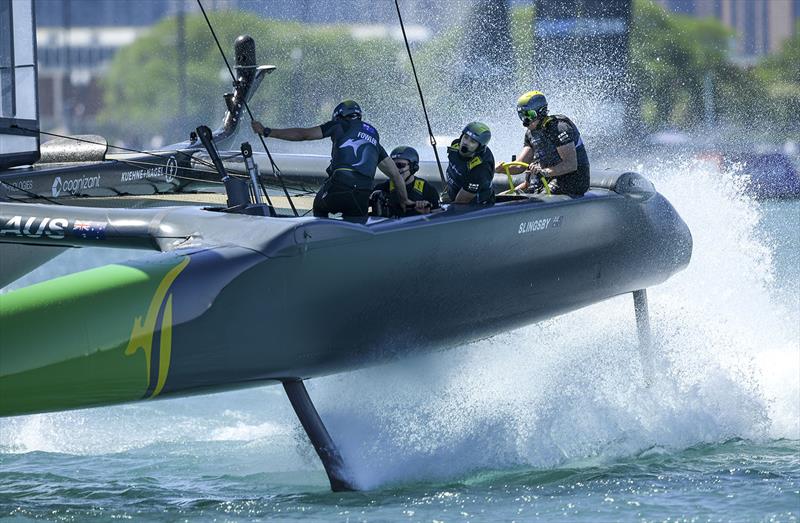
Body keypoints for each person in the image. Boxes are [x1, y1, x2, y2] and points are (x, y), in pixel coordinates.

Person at [251, 100, 414, 219]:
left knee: (319, 206)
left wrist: (267, 131)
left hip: (340, 186)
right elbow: (395, 175)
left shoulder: (339, 125)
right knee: (356, 224)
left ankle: (320, 245)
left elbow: (303, 135)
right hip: (363, 194)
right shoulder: (374, 140)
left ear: (339, 116)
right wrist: (405, 200)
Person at [496, 91, 590, 196]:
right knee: (503, 196)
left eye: (529, 115)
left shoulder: (559, 128)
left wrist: (544, 172)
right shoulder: (530, 133)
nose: (525, 121)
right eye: (522, 116)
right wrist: (500, 169)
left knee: (538, 196)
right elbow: (519, 166)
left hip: (573, 181)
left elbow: (570, 164)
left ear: (542, 112)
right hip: (548, 179)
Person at [370, 146, 439, 217]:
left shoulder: (428, 189)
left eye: (400, 165)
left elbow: (438, 217)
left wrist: (427, 212)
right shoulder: (380, 189)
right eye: (393, 166)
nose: (396, 170)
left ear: (413, 167)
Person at [446, 122, 495, 204]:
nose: (465, 142)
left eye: (472, 141)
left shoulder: (480, 169)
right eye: (465, 137)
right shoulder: (455, 145)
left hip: (474, 207)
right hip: (454, 193)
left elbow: (461, 202)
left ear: (479, 147)